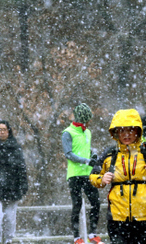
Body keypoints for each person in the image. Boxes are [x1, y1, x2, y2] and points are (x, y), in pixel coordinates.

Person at [90, 109, 146, 244]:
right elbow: (93, 176)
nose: (126, 135)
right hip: (117, 217)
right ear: (116, 133)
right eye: (122, 130)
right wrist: (102, 179)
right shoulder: (110, 154)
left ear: (138, 131)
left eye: (130, 130)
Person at [62, 103, 104, 244]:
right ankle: (77, 237)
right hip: (74, 175)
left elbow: (86, 149)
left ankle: (92, 234)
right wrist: (86, 161)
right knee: (77, 204)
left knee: (95, 203)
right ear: (84, 118)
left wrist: (93, 156)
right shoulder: (68, 132)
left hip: (88, 174)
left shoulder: (88, 132)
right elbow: (69, 154)